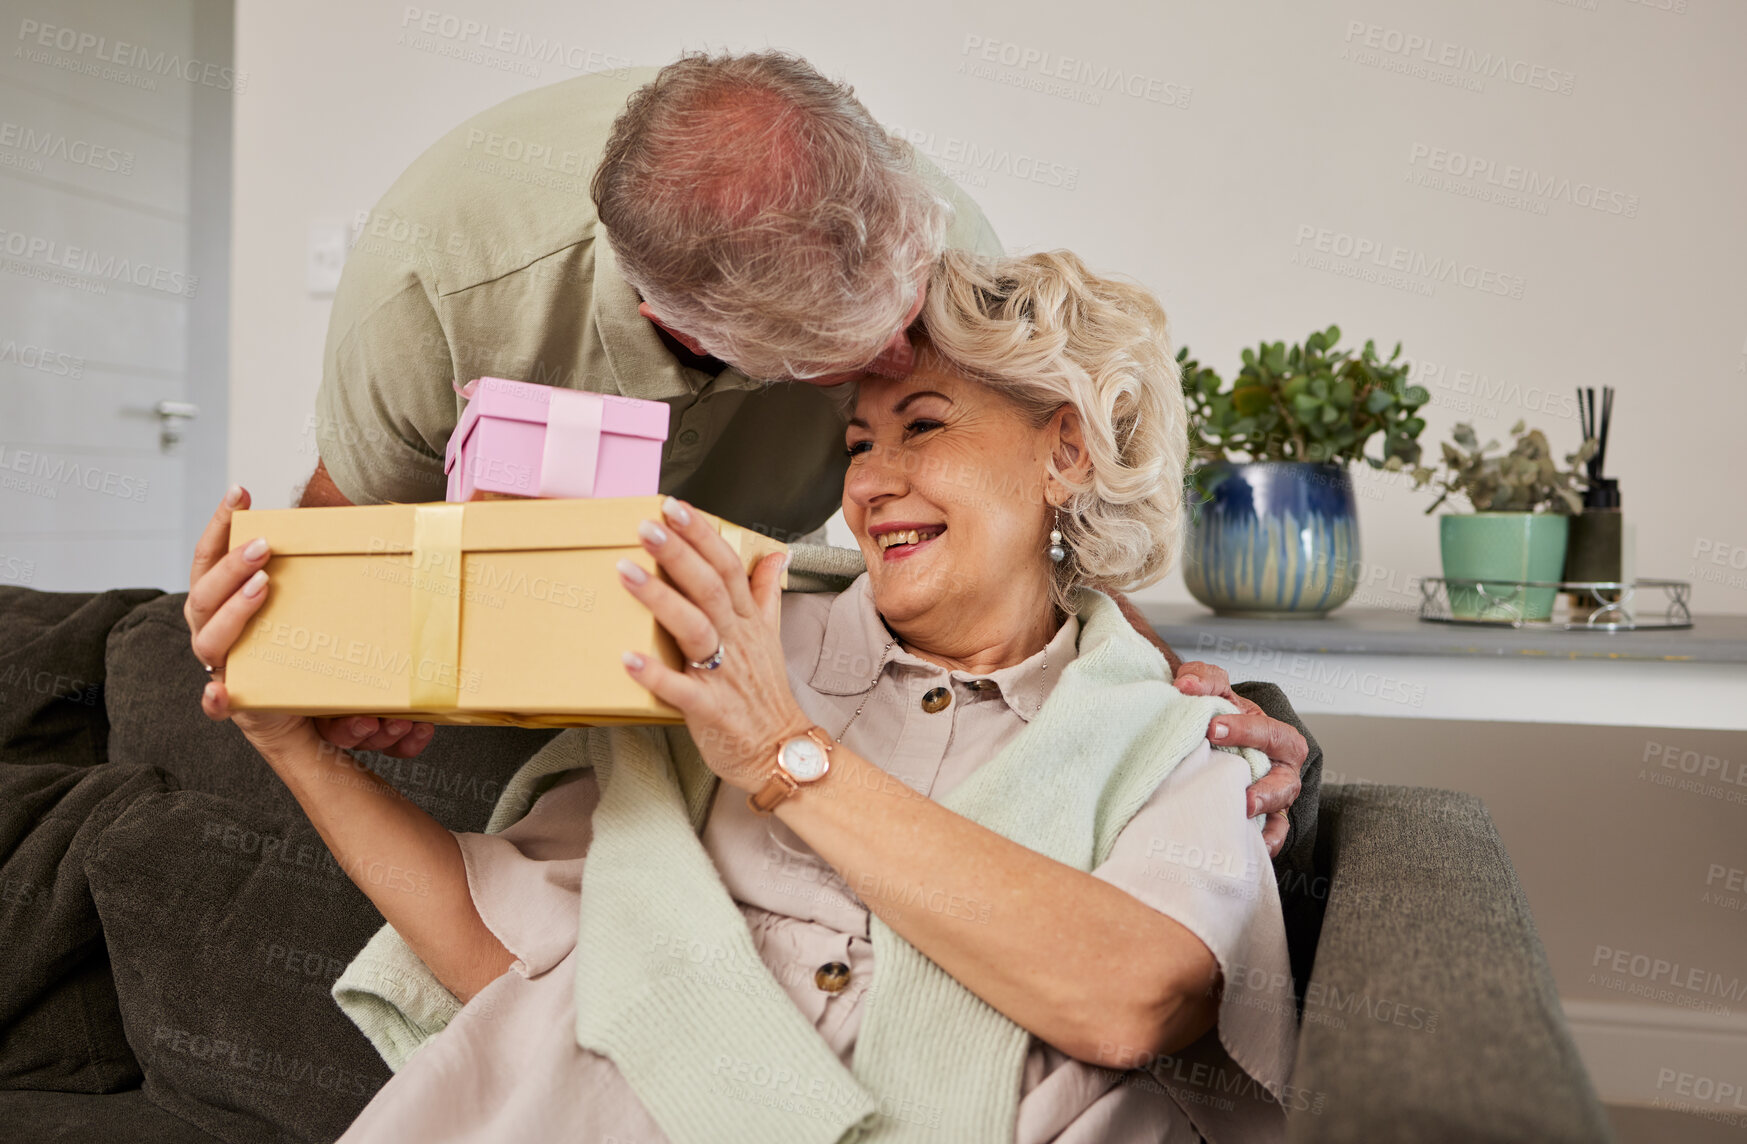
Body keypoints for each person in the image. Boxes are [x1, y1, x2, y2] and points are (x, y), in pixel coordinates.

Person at [189, 250, 1298, 1141]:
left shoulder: (1165, 738)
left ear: (1065, 451)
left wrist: (783, 751)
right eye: (858, 443)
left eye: (922, 426)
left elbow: (1133, 996)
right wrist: (291, 743)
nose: (868, 482)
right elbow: (510, 959)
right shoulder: (723, 640)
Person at [294, 50, 1313, 853]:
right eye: (865, 370)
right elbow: (337, 550)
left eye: (913, 304)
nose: (916, 349)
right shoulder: (433, 292)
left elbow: (1022, 529)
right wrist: (352, 670)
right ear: (698, 335)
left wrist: (1174, 694)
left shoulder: (934, 233)